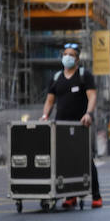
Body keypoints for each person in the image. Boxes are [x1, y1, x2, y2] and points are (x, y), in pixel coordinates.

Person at [40, 42, 102, 208]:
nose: (67, 57)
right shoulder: (56, 77)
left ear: (77, 59)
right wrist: (45, 116)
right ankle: (70, 196)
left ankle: (96, 196)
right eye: (65, 54)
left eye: (71, 55)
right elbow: (50, 100)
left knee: (85, 159)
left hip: (80, 125)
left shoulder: (83, 75)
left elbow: (92, 96)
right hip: (60, 126)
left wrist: (88, 114)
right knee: (64, 161)